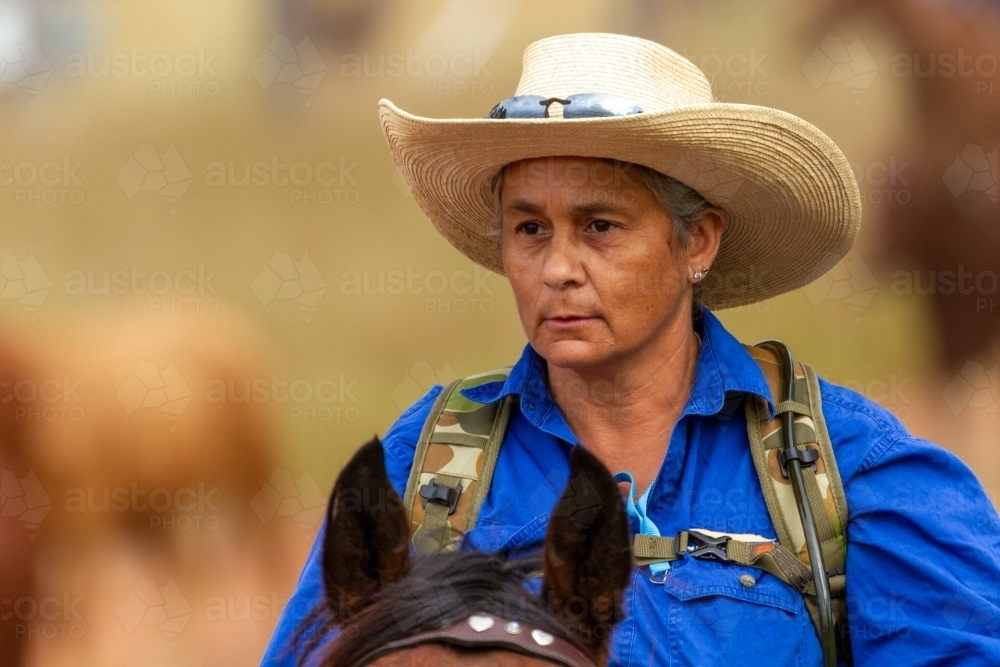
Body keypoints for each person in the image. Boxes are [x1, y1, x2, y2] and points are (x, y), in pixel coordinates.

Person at [262, 33, 1000, 665]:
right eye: (530, 229)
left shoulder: (846, 474)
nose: (557, 268)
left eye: (600, 227)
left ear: (698, 241)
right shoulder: (424, 471)